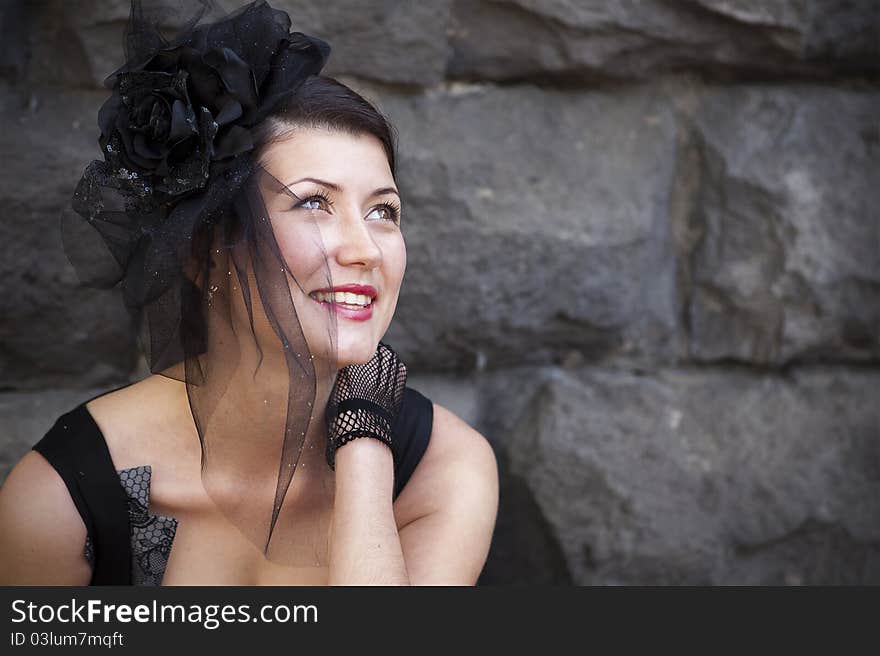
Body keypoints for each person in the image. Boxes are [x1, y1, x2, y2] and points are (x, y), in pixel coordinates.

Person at [0, 0, 498, 586]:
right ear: (201, 247)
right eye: (314, 203)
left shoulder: (445, 469)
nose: (365, 249)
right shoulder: (64, 500)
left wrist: (364, 445)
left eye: (383, 211)